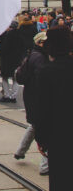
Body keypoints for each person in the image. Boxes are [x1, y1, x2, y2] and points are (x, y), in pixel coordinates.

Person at [34, 26, 73, 191]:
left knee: (60, 180)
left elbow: (42, 110)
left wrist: (41, 138)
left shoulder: (46, 72)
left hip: (58, 135)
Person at [14, 31, 49, 175]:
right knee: (46, 129)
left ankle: (20, 150)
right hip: (38, 97)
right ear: (40, 43)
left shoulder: (32, 55)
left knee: (35, 125)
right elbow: (43, 79)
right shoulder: (40, 58)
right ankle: (45, 166)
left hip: (31, 97)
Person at [0, 21, 21, 103]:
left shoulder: (8, 35)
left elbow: (5, 48)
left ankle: (7, 95)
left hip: (7, 59)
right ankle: (13, 96)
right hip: (17, 60)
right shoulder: (20, 35)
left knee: (5, 78)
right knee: (15, 79)